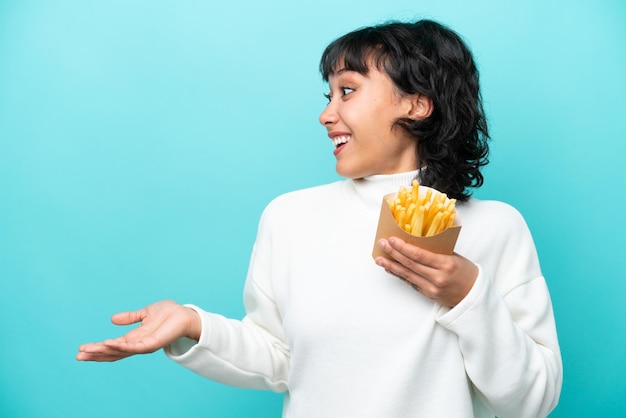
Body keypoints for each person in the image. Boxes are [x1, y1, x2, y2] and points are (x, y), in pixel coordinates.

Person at [77, 19, 562, 417]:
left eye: (347, 91)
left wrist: (467, 296)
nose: (326, 115)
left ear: (417, 104)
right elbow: (278, 358)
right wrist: (191, 324)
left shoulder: (496, 228)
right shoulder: (290, 218)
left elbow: (532, 401)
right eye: (327, 95)